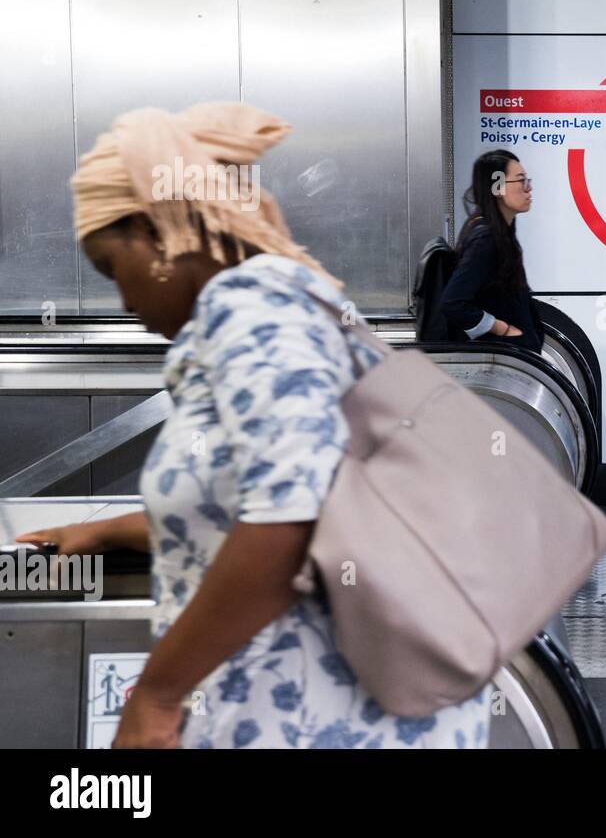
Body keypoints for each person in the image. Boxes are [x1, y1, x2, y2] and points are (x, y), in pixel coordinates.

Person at [18, 102, 490, 749]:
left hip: (331, 720)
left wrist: (157, 692)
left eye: (110, 266)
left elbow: (292, 516)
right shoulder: (285, 302)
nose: (123, 299)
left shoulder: (253, 308)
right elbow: (262, 495)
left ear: (155, 232)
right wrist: (108, 529)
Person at [441, 150, 544, 352]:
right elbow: (453, 302)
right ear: (497, 187)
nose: (529, 189)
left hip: (512, 360)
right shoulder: (486, 239)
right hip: (500, 364)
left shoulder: (501, 234)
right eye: (521, 181)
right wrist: (503, 329)